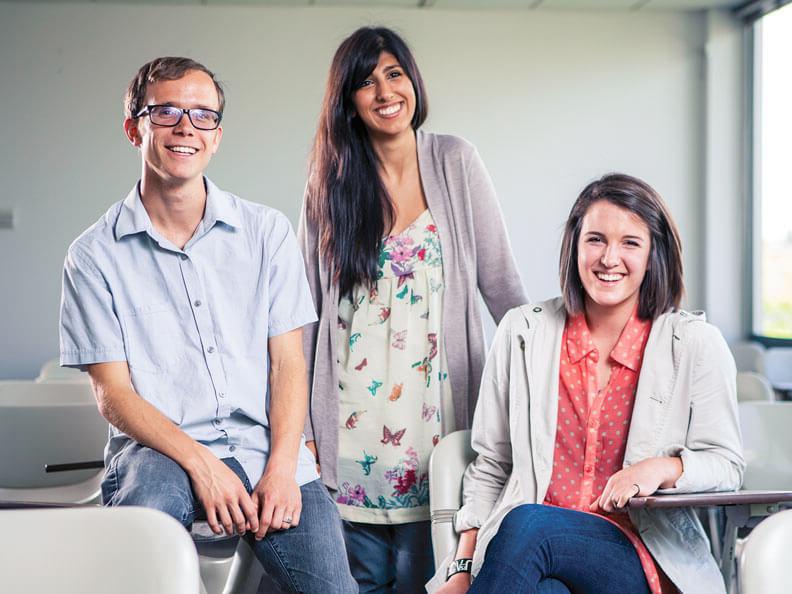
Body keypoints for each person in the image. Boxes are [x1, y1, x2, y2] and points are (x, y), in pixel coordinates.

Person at [59, 56, 356, 593]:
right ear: (134, 128)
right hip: (159, 454)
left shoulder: (266, 233)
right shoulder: (93, 255)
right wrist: (202, 464)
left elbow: (288, 360)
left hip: (264, 448)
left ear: (216, 136)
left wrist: (284, 467)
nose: (185, 127)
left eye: (202, 115)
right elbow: (114, 396)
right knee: (147, 535)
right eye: (166, 111)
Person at [430, 173, 744, 594]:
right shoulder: (522, 332)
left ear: (654, 254)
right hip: (527, 555)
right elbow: (493, 466)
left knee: (529, 522)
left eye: (630, 243)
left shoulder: (693, 344)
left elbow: (727, 465)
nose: (609, 258)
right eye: (595, 239)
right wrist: (462, 567)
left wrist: (660, 468)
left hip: (635, 553)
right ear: (575, 246)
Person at [299, 26, 527, 593]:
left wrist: (543, 384)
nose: (384, 92)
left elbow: (503, 289)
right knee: (365, 579)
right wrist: (303, 427)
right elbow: (301, 316)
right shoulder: (329, 182)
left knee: (431, 575)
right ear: (348, 102)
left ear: (413, 82)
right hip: (352, 427)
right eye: (366, 82)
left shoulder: (455, 161)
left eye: (394, 74)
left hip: (440, 425)